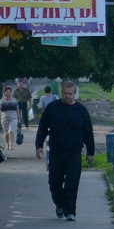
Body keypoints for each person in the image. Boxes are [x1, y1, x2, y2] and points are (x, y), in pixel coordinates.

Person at [35, 81, 95, 221]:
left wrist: (90, 152)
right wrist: (39, 145)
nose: (67, 96)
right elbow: (43, 127)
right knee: (54, 184)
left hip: (74, 153)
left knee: (72, 184)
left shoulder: (81, 110)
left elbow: (88, 133)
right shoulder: (52, 108)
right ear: (62, 93)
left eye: (70, 94)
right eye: (65, 93)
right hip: (56, 152)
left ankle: (70, 212)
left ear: (74, 94)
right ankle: (60, 204)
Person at [1, 86, 19, 150]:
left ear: (11, 93)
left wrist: (19, 118)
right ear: (4, 93)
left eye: (9, 92)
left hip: (13, 117)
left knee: (11, 131)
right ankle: (7, 144)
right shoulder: (2, 101)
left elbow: (17, 109)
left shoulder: (14, 100)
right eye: (6, 92)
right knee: (6, 133)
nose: (7, 93)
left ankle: (11, 145)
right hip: (4, 117)